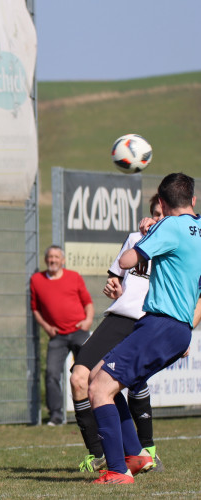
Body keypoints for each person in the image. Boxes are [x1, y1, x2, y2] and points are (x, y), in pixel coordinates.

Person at [89, 172, 201, 485]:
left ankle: (117, 471)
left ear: (162, 204)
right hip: (177, 328)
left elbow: (126, 261)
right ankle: (135, 455)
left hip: (160, 323)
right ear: (193, 200)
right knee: (102, 377)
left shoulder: (169, 225)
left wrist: (146, 235)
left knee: (98, 388)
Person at [70, 195, 164, 473]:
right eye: (154, 213)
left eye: (163, 214)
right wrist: (116, 288)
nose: (156, 219)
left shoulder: (174, 243)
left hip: (144, 322)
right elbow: (117, 277)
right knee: (86, 379)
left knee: (107, 383)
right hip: (119, 316)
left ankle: (136, 452)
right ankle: (121, 453)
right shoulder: (136, 238)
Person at [30, 245, 94, 426]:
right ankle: (56, 415)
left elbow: (88, 303)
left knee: (91, 370)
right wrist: (46, 327)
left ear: (63, 260)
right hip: (57, 336)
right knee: (51, 373)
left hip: (79, 331)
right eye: (50, 257)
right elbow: (35, 309)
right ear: (45, 260)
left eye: (56, 257)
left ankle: (95, 408)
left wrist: (88, 321)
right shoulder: (36, 280)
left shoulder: (74, 277)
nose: (53, 260)